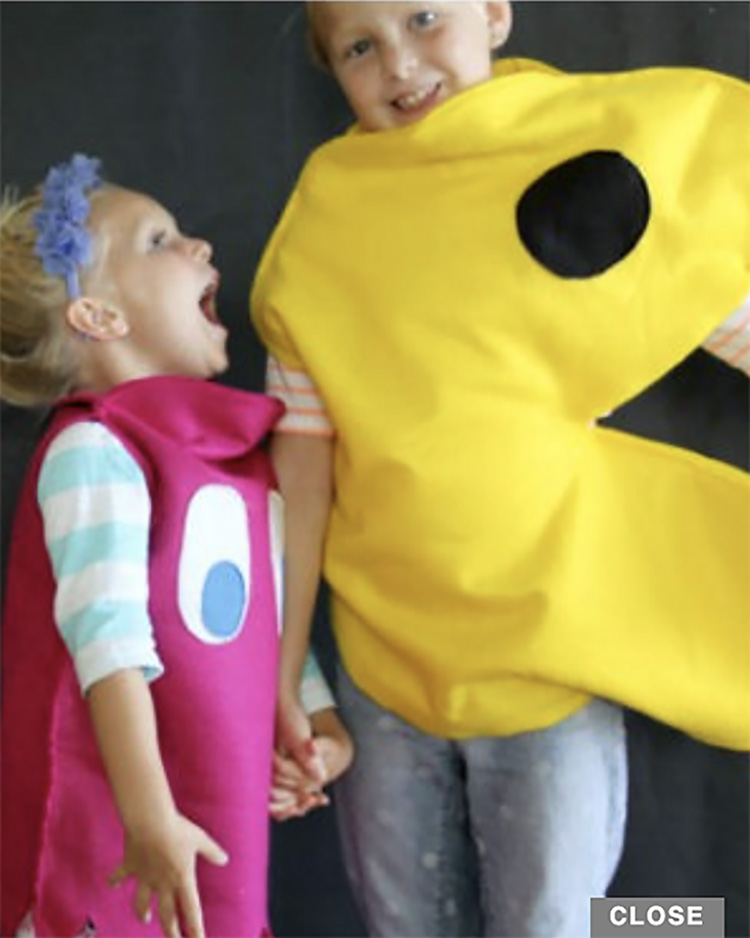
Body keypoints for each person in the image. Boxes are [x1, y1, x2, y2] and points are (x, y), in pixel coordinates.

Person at [250, 2, 750, 935]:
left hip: (543, 650)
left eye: (425, 18)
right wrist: (282, 671)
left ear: (492, 13)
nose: (400, 65)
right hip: (381, 660)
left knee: (552, 921)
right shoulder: (325, 223)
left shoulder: (580, 157)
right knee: (404, 921)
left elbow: (702, 280)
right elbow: (303, 468)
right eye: (361, 48)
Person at [0, 153, 351, 938]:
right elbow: (108, 649)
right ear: (98, 317)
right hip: (118, 847)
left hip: (210, 837)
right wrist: (149, 819)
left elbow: (254, 621)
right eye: (160, 240)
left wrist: (312, 730)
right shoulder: (98, 449)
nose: (200, 248)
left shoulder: (232, 466)